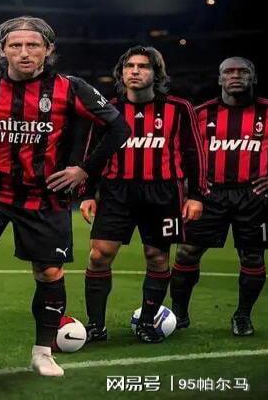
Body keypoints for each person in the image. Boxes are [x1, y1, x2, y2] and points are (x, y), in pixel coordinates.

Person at [0, 16, 130, 377]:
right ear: (2, 50)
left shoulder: (71, 88)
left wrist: (84, 170)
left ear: (48, 50)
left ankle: (42, 352)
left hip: (44, 195)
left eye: (33, 45)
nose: (24, 52)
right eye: (15, 45)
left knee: (48, 272)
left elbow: (118, 127)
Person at [80, 46, 208, 344]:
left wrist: (197, 195)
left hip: (163, 192)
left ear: (156, 74)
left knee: (157, 256)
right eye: (129, 66)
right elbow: (94, 153)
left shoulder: (179, 108)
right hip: (116, 191)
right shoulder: (108, 109)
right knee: (99, 255)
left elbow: (195, 153)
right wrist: (86, 193)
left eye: (143, 66)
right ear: (121, 73)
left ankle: (148, 323)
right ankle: (96, 325)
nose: (135, 71)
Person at [170, 56, 268, 336]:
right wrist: (187, 190)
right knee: (187, 252)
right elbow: (180, 153)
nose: (235, 76)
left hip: (254, 195)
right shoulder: (200, 114)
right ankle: (179, 313)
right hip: (208, 193)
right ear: (219, 79)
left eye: (243, 71)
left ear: (254, 78)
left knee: (252, 256)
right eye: (229, 72)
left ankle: (242, 316)